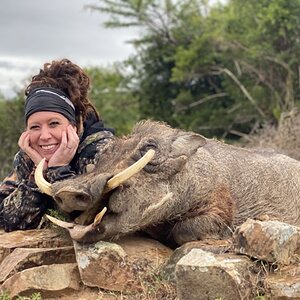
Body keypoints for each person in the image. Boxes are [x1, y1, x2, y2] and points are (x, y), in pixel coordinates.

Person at [0, 59, 114, 232]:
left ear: (73, 125)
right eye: (35, 127)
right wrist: (39, 173)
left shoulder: (101, 149)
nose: (45, 136)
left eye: (54, 124)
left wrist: (59, 170)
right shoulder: (27, 156)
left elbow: (88, 218)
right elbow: (7, 222)